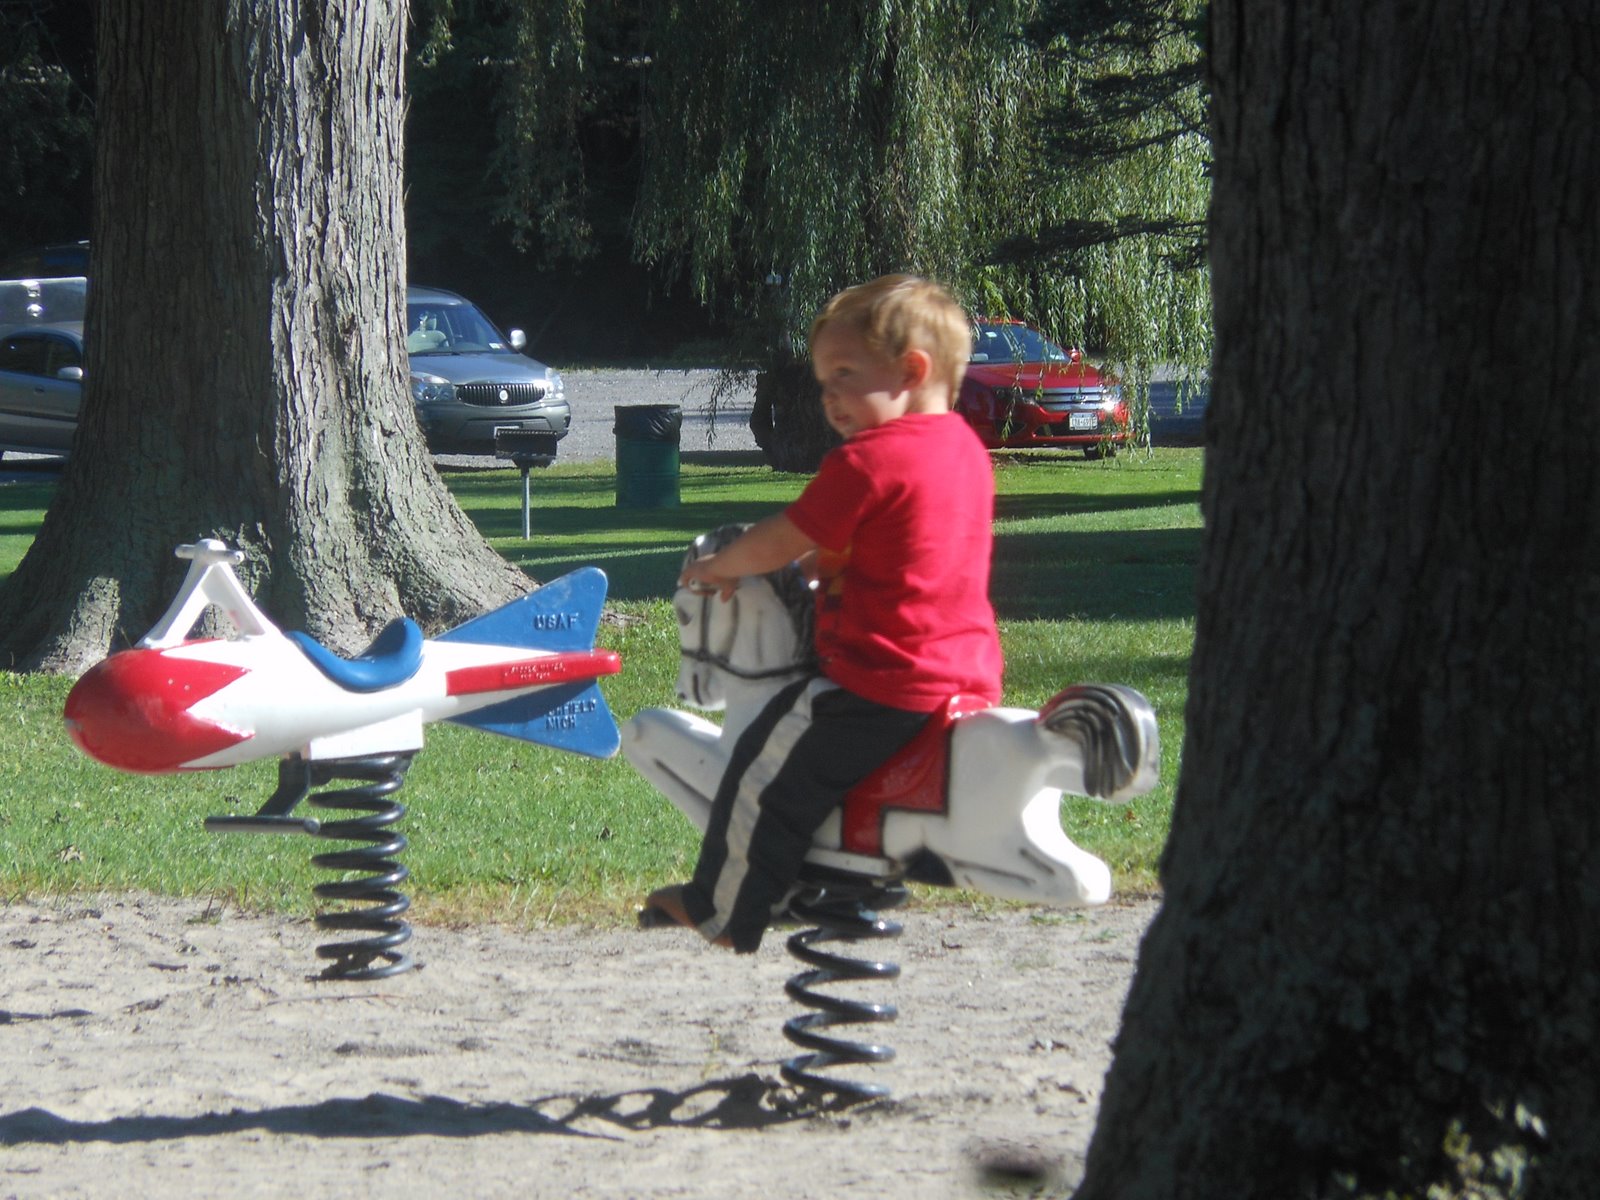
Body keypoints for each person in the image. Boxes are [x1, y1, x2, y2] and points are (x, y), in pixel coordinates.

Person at [643, 274, 1003, 952]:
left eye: (844, 373)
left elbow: (786, 534)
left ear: (911, 370)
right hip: (967, 675)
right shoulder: (964, 453)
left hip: (882, 681)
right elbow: (901, 551)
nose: (828, 395)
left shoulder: (869, 459)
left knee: (764, 775)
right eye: (823, 379)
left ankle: (725, 908)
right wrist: (811, 572)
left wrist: (724, 566)